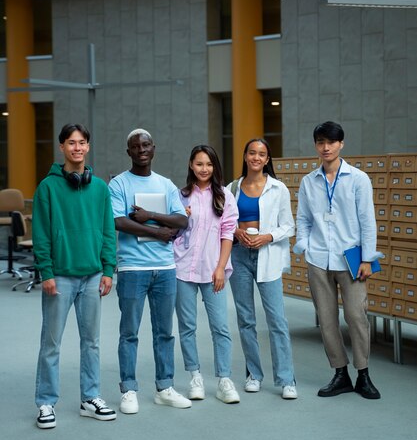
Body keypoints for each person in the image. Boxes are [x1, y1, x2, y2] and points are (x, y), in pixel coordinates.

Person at [33, 123, 117, 429]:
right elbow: (41, 233)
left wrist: (108, 269)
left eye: (82, 142)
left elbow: (108, 231)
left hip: (93, 275)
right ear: (62, 148)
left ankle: (90, 397)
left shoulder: (100, 189)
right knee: (51, 343)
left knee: (91, 342)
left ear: (88, 147)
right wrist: (46, 270)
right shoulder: (48, 188)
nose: (77, 148)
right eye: (71, 143)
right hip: (61, 277)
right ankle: (45, 402)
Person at [294, 121, 381, 399]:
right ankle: (340, 373)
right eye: (320, 142)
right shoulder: (309, 181)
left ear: (341, 144)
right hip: (319, 259)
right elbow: (304, 219)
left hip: (351, 259)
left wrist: (367, 258)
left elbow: (368, 221)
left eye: (331, 142)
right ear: (316, 146)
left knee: (356, 316)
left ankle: (363, 374)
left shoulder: (358, 179)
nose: (326, 147)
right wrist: (306, 248)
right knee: (328, 320)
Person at [108, 128, 191, 413]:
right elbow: (119, 222)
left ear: (153, 148)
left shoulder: (166, 184)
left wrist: (150, 215)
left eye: (146, 145)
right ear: (128, 151)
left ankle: (165, 387)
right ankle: (128, 389)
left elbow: (182, 220)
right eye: (135, 146)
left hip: (165, 270)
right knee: (129, 332)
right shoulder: (118, 184)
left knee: (164, 332)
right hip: (132, 268)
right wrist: (158, 233)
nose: (141, 150)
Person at [227, 138, 297, 399]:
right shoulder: (231, 188)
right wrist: (236, 232)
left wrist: (266, 236)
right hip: (239, 256)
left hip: (267, 255)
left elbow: (289, 226)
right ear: (245, 156)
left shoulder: (278, 189)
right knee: (246, 319)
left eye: (262, 154)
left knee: (277, 320)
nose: (256, 157)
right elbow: (222, 223)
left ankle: (287, 379)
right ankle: (253, 374)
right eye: (252, 153)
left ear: (267, 160)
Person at [174, 145, 240, 404]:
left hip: (213, 270)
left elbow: (227, 234)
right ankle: (195, 377)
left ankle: (224, 379)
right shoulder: (180, 196)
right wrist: (181, 217)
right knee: (187, 327)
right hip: (183, 269)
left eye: (209, 164)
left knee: (220, 327)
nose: (204, 169)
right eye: (199, 164)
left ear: (215, 167)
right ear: (191, 165)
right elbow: (172, 231)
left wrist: (221, 267)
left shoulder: (224, 196)